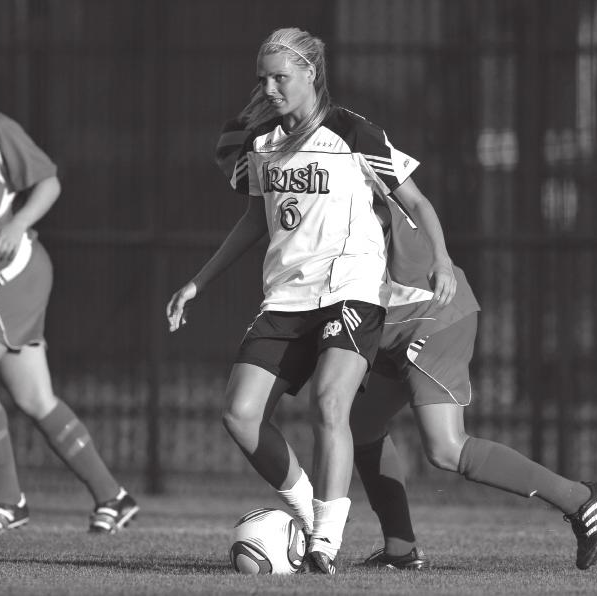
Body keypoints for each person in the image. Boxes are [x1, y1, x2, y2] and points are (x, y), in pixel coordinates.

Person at [167, 27, 455, 574]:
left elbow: (417, 200)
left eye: (281, 76)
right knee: (239, 413)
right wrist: (198, 282)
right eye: (264, 78)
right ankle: (305, 515)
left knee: (330, 400)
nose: (270, 88)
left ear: (310, 75)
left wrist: (440, 258)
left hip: (350, 288)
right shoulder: (263, 143)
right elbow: (254, 220)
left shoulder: (353, 132)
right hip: (285, 296)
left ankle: (324, 542)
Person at [349, 174, 597, 571]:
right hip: (393, 326)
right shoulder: (294, 185)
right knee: (361, 424)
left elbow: (387, 214)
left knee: (446, 448)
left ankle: (580, 500)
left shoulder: (335, 174)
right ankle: (400, 549)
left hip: (431, 318)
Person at [0, 42, 139, 534]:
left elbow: (49, 182)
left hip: (14, 265)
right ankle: (112, 496)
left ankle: (8, 500)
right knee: (35, 398)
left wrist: (16, 225)